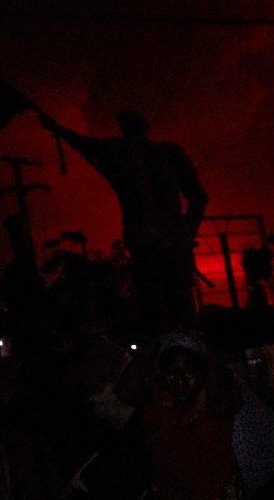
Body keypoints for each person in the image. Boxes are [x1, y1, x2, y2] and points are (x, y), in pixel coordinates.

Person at [38, 110, 209, 339]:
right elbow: (198, 197)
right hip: (163, 244)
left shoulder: (122, 153)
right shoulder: (164, 153)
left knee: (163, 313)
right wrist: (186, 231)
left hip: (153, 245)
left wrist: (58, 129)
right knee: (173, 311)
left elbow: (85, 145)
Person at [116, 330, 245, 500]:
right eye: (172, 375)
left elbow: (228, 400)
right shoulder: (158, 404)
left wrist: (206, 351)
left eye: (188, 374)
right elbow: (125, 391)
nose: (180, 382)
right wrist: (155, 344)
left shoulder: (214, 401)